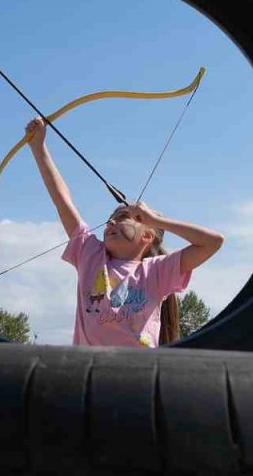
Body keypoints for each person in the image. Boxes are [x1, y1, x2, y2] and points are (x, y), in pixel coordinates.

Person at [25, 116, 224, 347]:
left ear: (147, 236)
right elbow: (62, 201)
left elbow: (213, 242)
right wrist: (38, 147)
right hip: (89, 372)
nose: (110, 223)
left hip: (138, 373)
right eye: (110, 219)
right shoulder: (90, 255)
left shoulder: (157, 271)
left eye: (122, 218)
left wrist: (156, 220)